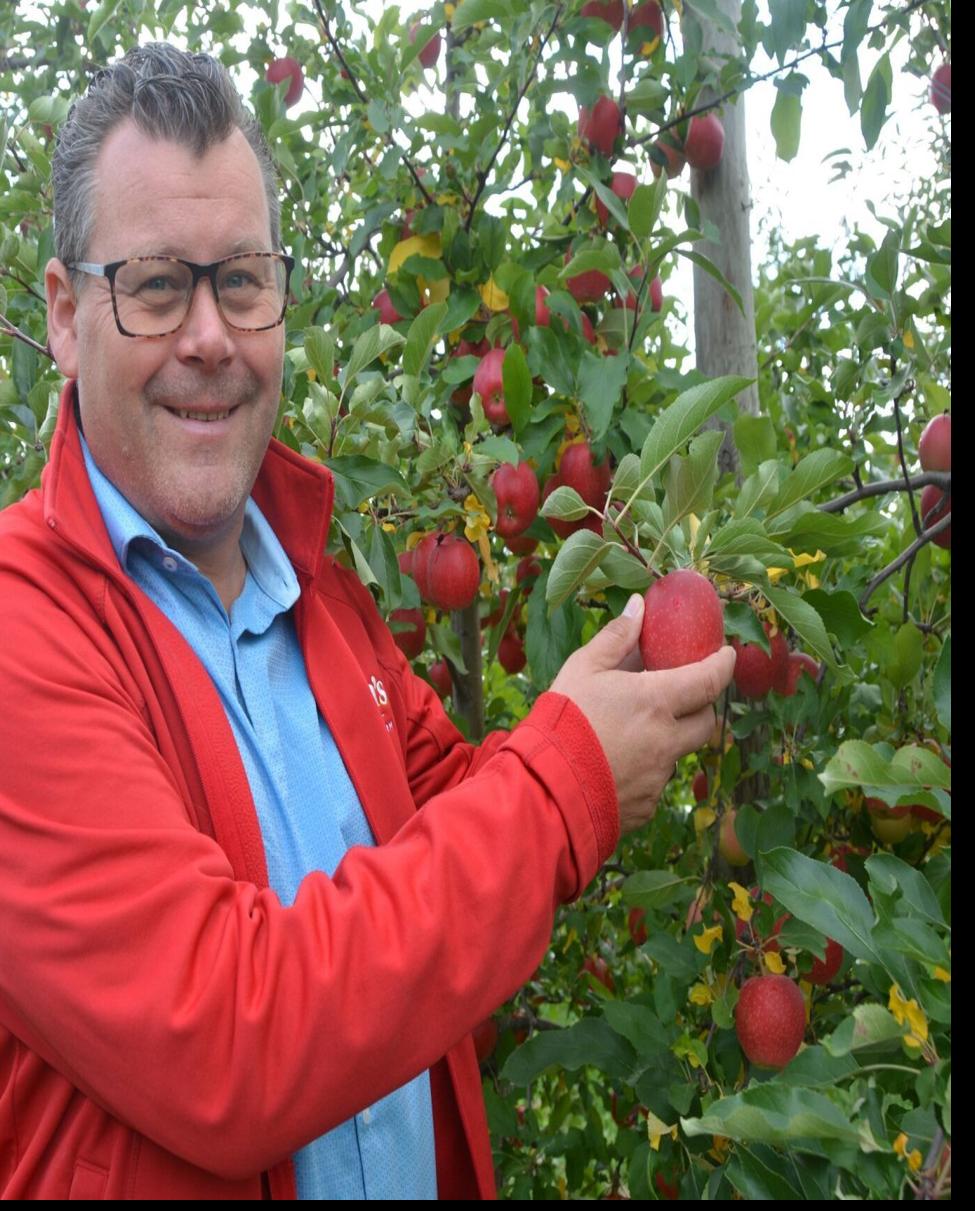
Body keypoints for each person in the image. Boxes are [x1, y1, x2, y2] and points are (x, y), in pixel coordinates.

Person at [0, 44, 735, 1200]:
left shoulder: (323, 597)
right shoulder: (20, 632)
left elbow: (464, 824)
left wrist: (615, 691)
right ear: (62, 309)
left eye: (242, 280)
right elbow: (223, 1037)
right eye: (153, 285)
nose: (209, 335)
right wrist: (567, 781)